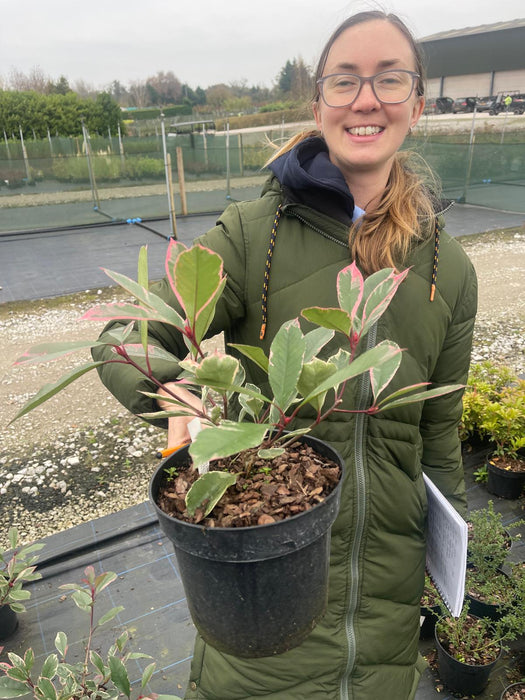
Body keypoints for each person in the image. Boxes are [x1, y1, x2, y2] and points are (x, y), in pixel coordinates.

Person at [93, 11, 477, 700]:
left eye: (389, 79)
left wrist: (446, 557)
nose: (366, 99)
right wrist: (175, 394)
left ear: (417, 104)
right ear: (319, 103)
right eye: (344, 80)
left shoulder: (449, 268)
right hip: (261, 585)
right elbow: (126, 334)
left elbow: (438, 433)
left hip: (387, 615)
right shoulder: (250, 234)